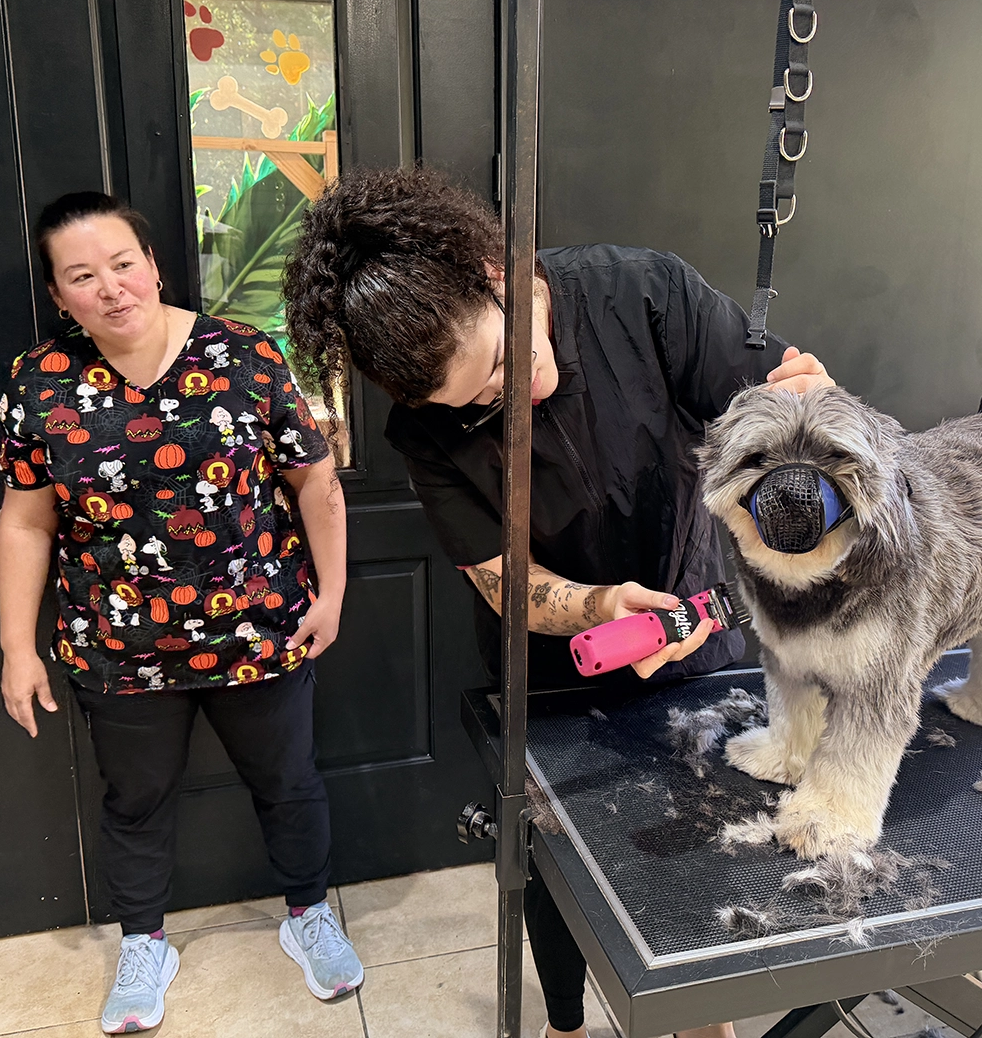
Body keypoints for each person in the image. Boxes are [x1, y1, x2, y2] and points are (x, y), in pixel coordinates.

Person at [284, 168, 833, 1038]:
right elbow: (501, 575)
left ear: (497, 273)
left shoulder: (644, 292)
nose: (510, 399)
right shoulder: (422, 430)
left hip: (701, 626)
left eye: (504, 360)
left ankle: (697, 1013)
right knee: (553, 861)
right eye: (476, 404)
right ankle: (566, 1024)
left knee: (694, 839)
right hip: (554, 665)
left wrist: (806, 413)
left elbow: (786, 420)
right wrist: (599, 604)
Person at [0, 192, 363, 1034]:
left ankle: (309, 914)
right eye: (82, 276)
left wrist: (332, 595)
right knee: (136, 799)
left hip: (258, 627)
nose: (111, 288)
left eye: (123, 264)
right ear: (60, 296)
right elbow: (25, 519)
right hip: (118, 645)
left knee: (289, 782)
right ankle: (143, 939)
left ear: (153, 263)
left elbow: (316, 481)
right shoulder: (38, 381)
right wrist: (19, 647)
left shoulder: (244, 354)